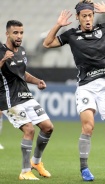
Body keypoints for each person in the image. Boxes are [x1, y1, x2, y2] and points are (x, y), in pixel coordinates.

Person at [42, 0, 105, 181]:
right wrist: (58, 25)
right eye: (84, 16)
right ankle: (84, 169)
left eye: (90, 15)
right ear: (78, 18)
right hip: (86, 87)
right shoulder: (71, 35)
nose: (88, 19)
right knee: (88, 126)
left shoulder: (103, 28)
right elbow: (47, 43)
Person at [0, 20, 54, 180]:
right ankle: (25, 171)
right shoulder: (0, 51)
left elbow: (22, 74)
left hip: (25, 96)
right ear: (7, 34)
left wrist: (37, 81)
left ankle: (36, 162)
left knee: (48, 127)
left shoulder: (22, 51)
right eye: (15, 32)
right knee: (29, 130)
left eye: (21, 33)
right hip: (10, 99)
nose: (19, 36)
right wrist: (3, 60)